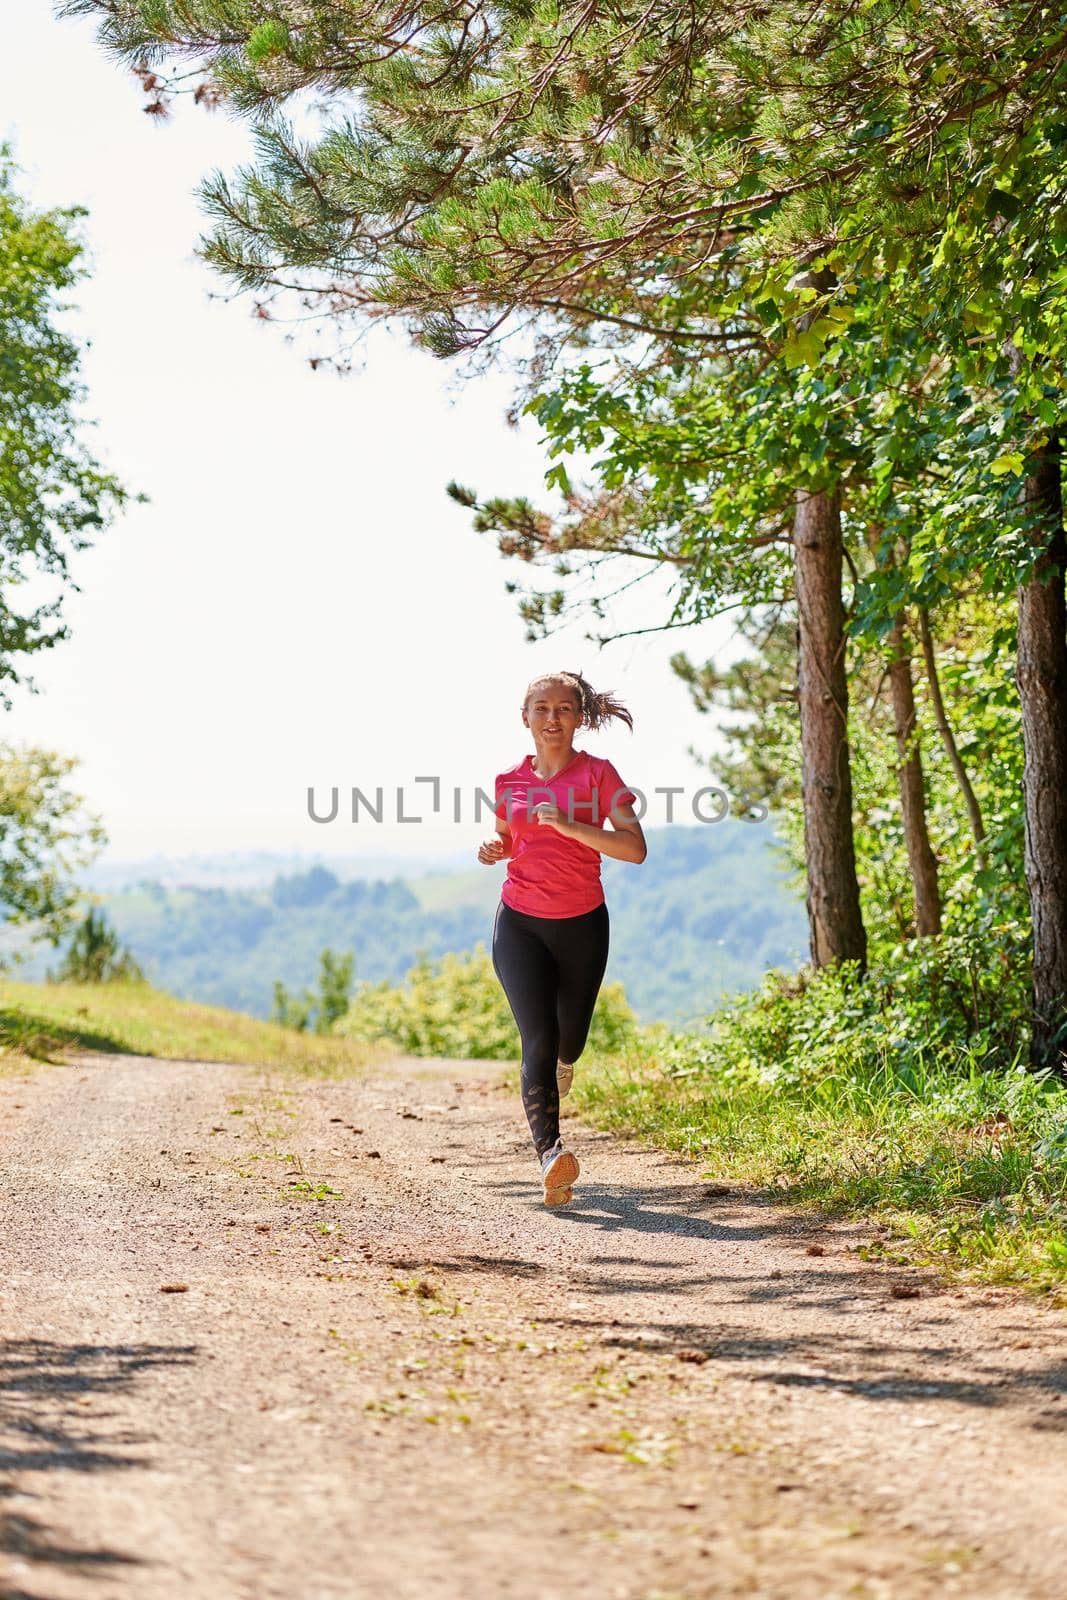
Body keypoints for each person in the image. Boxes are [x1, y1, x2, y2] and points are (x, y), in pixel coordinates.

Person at [477, 670, 646, 1207]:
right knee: (538, 1036)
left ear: (579, 717)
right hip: (520, 921)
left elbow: (634, 848)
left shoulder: (599, 775)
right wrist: (496, 848)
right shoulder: (509, 781)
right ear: (524, 717)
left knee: (569, 1039)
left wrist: (571, 827)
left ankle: (565, 1063)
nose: (553, 718)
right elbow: (509, 837)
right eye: (542, 709)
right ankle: (551, 1154)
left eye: (564, 709)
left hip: (581, 923)